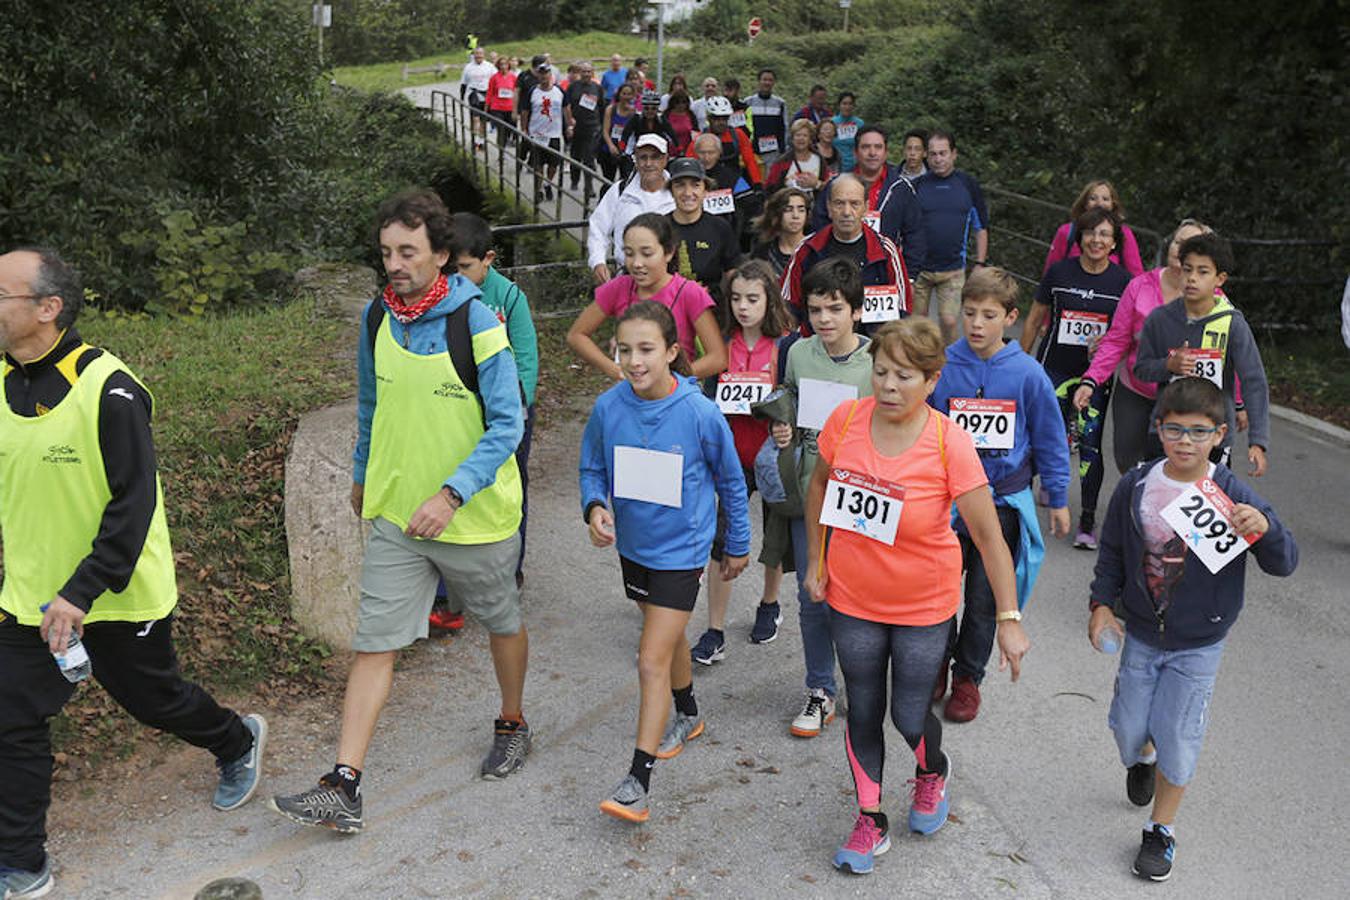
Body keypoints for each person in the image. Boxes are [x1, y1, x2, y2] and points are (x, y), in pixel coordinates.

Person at [0, 247, 267, 898]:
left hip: (116, 597)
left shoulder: (109, 388)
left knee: (154, 701)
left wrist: (80, 591)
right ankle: (23, 864)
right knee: (10, 716)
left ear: (47, 308)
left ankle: (235, 741)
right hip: (32, 598)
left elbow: (134, 505)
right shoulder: (2, 384)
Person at [270, 190, 529, 835]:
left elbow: (508, 423)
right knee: (374, 645)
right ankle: (344, 783)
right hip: (396, 518)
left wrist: (451, 494)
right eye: (387, 252)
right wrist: (362, 475)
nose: (395, 264)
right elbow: (370, 403)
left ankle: (513, 721)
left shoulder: (477, 322)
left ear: (440, 255)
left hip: (473, 518)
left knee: (503, 626)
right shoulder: (375, 319)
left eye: (408, 252)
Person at [803, 317, 1029, 874]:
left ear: (931, 381)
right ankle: (870, 819)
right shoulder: (847, 420)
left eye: (904, 376)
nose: (888, 385)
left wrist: (1008, 615)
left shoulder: (948, 441)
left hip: (922, 605)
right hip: (852, 595)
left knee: (908, 715)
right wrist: (816, 558)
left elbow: (988, 537)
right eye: (880, 371)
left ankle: (931, 772)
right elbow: (818, 487)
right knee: (862, 707)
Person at [1088, 376, 1297, 881]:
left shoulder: (1230, 493)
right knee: (1128, 728)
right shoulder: (1137, 485)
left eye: (1199, 432)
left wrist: (1264, 531)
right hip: (1141, 633)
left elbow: (1285, 562)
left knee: (1180, 736)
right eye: (1175, 430)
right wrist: (1100, 604)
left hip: (1199, 642)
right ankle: (1142, 755)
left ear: (1221, 435)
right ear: (1158, 430)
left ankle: (1161, 831)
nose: (1186, 441)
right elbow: (1113, 551)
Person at [579, 301, 750, 822]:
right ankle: (690, 715)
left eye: (647, 349)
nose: (634, 360)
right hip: (634, 549)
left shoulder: (699, 412)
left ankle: (638, 779)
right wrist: (594, 507)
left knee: (650, 657)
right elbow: (591, 468)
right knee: (668, 636)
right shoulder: (609, 408)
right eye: (625, 349)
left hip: (682, 552)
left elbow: (730, 482)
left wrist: (737, 543)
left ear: (674, 353)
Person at [930, 268, 1070, 723]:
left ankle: (968, 678)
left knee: (985, 598)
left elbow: (1049, 437)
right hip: (947, 502)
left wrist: (1059, 494)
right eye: (969, 313)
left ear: (1011, 318)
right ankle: (934, 664)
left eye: (989, 316)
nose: (976, 324)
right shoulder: (944, 366)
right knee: (939, 589)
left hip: (1003, 502)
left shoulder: (1028, 375)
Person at [769, 258, 874, 740]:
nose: (824, 319)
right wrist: (782, 422)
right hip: (808, 491)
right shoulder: (798, 353)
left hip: (858, 497)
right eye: (815, 310)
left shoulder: (876, 362)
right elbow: (785, 395)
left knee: (858, 597)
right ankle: (820, 689)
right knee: (812, 594)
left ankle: (864, 681)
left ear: (857, 310)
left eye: (835, 309)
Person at [690, 261, 796, 663]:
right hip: (730, 459)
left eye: (752, 299)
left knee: (775, 535)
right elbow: (706, 397)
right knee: (723, 541)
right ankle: (714, 629)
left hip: (772, 457)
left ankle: (770, 603)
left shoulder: (786, 345)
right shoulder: (721, 344)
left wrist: (786, 424)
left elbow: (795, 397)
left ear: (769, 299)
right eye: (736, 298)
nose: (743, 307)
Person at [1020, 207, 1131, 549]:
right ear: (1079, 237)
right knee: (1041, 437)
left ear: (1114, 244)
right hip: (1052, 367)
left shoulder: (1122, 282)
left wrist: (1110, 342)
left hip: (1094, 376)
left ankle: (1086, 520)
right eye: (1090, 233)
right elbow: (1035, 318)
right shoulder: (1059, 272)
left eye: (1104, 235)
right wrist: (1019, 364)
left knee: (1090, 445)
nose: (1096, 240)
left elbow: (1127, 334)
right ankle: (1019, 510)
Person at [1074, 220, 1214, 474]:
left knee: (1172, 465)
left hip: (1184, 396)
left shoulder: (1214, 297)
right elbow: (1116, 340)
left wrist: (1239, 402)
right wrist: (1091, 380)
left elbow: (1228, 353)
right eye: (1177, 241)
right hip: (1135, 389)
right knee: (1128, 462)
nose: (1180, 248)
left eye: (1191, 245)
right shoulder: (1139, 286)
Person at [448, 213, 538, 587]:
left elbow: (526, 360)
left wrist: (514, 411)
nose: (457, 275)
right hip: (460, 410)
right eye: (451, 267)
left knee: (511, 486)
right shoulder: (446, 298)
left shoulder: (510, 297)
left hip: (508, 412)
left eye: (465, 267)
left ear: (488, 259)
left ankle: (510, 567)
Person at [1134, 232, 1270, 478]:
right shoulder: (1160, 319)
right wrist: (1169, 365)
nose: (1192, 278)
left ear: (1220, 278)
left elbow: (1254, 381)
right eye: (1187, 269)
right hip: (1167, 430)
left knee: (1207, 505)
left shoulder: (1232, 323)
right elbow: (1141, 368)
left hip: (1213, 435)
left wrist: (1258, 441)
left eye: (1203, 271)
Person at [570, 213, 727, 379]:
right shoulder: (619, 287)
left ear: (669, 252)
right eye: (629, 254)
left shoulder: (690, 293)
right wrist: (614, 370)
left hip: (675, 396)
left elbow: (718, 358)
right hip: (631, 393)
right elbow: (576, 335)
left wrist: (673, 380)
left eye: (647, 253)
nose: (637, 263)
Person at [782, 174, 910, 336]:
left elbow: (903, 309)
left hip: (872, 350)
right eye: (839, 203)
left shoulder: (886, 251)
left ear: (866, 207)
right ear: (828, 207)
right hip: (817, 346)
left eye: (855, 204)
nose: (846, 212)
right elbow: (787, 307)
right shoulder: (806, 250)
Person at [812, 125, 926, 280]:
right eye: (866, 147)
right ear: (856, 153)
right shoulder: (835, 185)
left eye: (878, 147)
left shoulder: (901, 189)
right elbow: (820, 227)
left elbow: (914, 234)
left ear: (886, 153)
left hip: (885, 275)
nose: (872, 153)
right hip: (839, 273)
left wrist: (910, 276)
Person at [912, 129, 989, 345]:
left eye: (943, 153)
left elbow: (980, 226)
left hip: (953, 269)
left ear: (953, 154)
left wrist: (980, 263)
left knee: (949, 321)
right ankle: (921, 364)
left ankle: (949, 364)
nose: (938, 159)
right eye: (933, 154)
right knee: (918, 324)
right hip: (920, 269)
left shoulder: (968, 184)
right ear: (926, 156)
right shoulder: (918, 185)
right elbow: (906, 227)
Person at [587, 133, 674, 285]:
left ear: (665, 160)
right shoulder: (620, 191)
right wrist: (598, 261)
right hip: (627, 277)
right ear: (635, 160)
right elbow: (598, 227)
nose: (648, 163)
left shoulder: (676, 193)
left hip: (669, 278)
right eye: (643, 157)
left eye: (655, 157)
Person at [665, 158, 741, 300]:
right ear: (671, 191)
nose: (688, 193)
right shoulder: (659, 227)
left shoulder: (720, 227)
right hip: (667, 308)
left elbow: (733, 272)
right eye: (680, 185)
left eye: (695, 185)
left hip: (711, 308)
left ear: (705, 190)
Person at [1043, 180, 1146, 278]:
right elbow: (1050, 272)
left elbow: (1136, 274)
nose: (1099, 203)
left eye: (1105, 199)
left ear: (1113, 204)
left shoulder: (1124, 233)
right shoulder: (1066, 232)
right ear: (1085, 203)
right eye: (1093, 198)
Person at [687, 96, 763, 189]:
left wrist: (757, 183)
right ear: (709, 118)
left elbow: (750, 160)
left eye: (724, 118)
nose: (721, 122)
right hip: (708, 181)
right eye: (716, 119)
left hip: (735, 181)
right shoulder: (700, 139)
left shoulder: (738, 135)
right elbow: (690, 163)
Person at [522, 61, 565, 201]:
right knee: (538, 165)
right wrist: (524, 129)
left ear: (550, 75)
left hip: (554, 133)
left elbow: (566, 108)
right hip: (537, 133)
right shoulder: (532, 91)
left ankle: (548, 184)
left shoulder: (558, 91)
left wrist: (570, 125)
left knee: (553, 165)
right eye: (541, 74)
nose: (544, 77)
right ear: (538, 76)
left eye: (546, 74)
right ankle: (538, 190)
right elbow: (525, 111)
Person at [752, 186, 811, 277]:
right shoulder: (764, 251)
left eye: (801, 210)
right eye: (788, 210)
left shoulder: (814, 249)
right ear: (776, 215)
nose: (796, 216)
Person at [563, 60, 603, 191]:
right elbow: (566, 106)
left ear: (592, 73)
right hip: (576, 127)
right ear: (580, 72)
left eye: (589, 71)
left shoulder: (597, 88)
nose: (586, 74)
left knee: (589, 157)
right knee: (576, 156)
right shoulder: (573, 87)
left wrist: (601, 127)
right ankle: (574, 181)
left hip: (592, 127)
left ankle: (589, 185)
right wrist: (569, 124)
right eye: (584, 71)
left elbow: (602, 107)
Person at [766, 120, 826, 198]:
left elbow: (829, 186)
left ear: (810, 139)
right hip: (787, 206)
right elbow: (770, 188)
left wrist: (816, 184)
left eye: (805, 135)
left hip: (814, 207)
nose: (801, 138)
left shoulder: (819, 159)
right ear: (792, 138)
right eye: (798, 135)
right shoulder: (782, 161)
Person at [621, 91, 679, 167]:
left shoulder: (661, 118)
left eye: (653, 109)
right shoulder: (636, 118)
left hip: (658, 150)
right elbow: (626, 134)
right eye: (646, 108)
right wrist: (622, 149)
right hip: (640, 150)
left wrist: (678, 148)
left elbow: (671, 133)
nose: (650, 111)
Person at [747, 68, 790, 163]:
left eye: (770, 80)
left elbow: (785, 127)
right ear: (759, 81)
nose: (767, 83)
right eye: (764, 79)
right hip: (752, 150)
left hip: (773, 151)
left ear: (774, 82)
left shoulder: (780, 103)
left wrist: (783, 149)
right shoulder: (748, 102)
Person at [598, 83, 636, 182]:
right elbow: (605, 131)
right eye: (624, 94)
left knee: (625, 179)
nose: (626, 97)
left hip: (626, 150)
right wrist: (611, 146)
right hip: (609, 148)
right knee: (608, 180)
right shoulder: (611, 109)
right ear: (619, 94)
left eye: (629, 94)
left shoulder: (634, 112)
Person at [460, 46, 495, 146]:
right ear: (473, 55)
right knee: (475, 118)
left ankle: (481, 140)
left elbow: (496, 80)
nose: (478, 56)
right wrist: (462, 98)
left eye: (480, 54)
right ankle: (475, 139)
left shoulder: (490, 66)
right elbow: (463, 84)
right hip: (473, 94)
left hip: (486, 94)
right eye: (477, 54)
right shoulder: (468, 67)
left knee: (483, 119)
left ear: (484, 55)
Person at [486, 55, 519, 147]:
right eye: (501, 64)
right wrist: (486, 107)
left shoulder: (513, 77)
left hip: (510, 108)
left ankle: (507, 142)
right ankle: (501, 153)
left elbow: (517, 93)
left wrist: (517, 109)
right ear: (498, 66)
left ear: (509, 65)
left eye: (505, 64)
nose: (503, 66)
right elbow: (489, 93)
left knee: (510, 129)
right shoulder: (494, 78)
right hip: (497, 108)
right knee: (501, 129)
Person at [831, 93, 864, 172]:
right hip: (836, 166)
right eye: (844, 104)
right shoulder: (832, 123)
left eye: (850, 104)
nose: (847, 107)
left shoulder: (859, 124)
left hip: (855, 167)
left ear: (853, 106)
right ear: (839, 105)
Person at [662, 89, 696, 156]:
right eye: (677, 102)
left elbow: (696, 132)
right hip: (668, 152)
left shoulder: (691, 115)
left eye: (683, 102)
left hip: (687, 151)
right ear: (672, 102)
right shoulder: (666, 114)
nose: (681, 105)